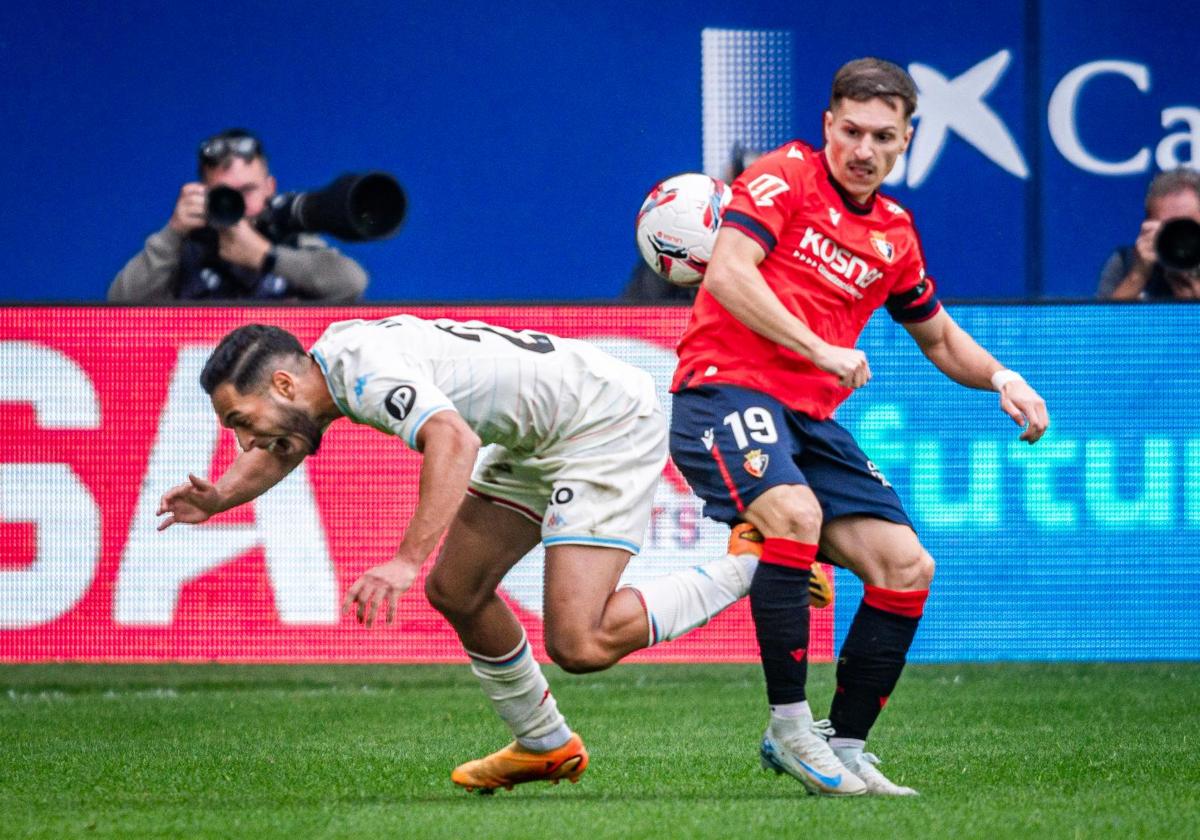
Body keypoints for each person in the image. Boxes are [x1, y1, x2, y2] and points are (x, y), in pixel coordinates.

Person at [154, 315, 833, 792]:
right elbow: (284, 445)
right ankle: (545, 744)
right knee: (458, 591)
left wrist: (402, 559)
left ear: (280, 387)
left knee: (582, 643)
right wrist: (219, 498)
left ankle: (754, 563)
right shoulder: (324, 372)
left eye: (240, 421)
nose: (244, 440)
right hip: (542, 433)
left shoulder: (364, 374)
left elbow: (452, 442)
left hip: (604, 423)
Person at [668, 58, 1050, 797]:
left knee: (908, 567)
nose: (863, 148)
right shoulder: (785, 176)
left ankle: (845, 746)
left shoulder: (897, 235)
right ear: (827, 128)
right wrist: (817, 347)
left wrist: (1005, 377)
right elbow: (728, 272)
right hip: (723, 391)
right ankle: (790, 727)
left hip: (807, 421)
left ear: (906, 139)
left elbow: (937, 338)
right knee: (795, 516)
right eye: (850, 131)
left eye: (882, 135)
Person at [108, 129, 368, 303]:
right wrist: (172, 233)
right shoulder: (185, 247)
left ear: (270, 187)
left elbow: (352, 283)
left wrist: (267, 257)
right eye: (225, 194)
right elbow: (119, 304)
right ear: (203, 192)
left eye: (247, 190)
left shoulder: (290, 238)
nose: (238, 204)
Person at [1097, 168, 1200, 300]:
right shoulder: (1126, 263)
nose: (1178, 236)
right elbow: (1105, 319)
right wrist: (1138, 275)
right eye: (1168, 226)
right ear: (1148, 225)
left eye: (1186, 226)